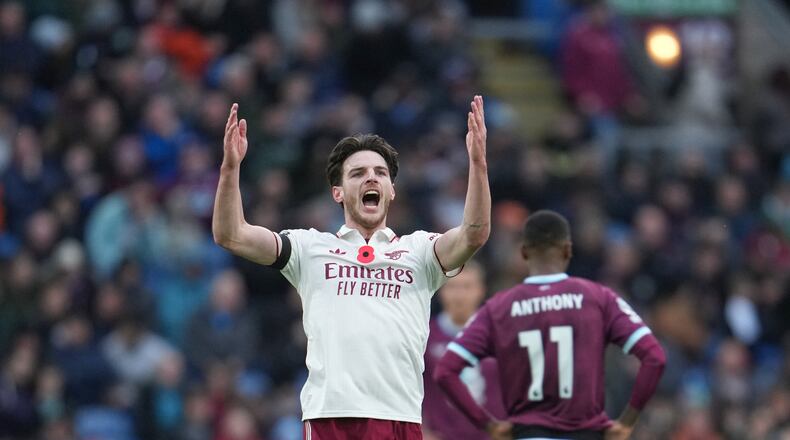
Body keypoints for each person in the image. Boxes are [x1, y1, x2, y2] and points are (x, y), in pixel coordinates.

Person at [212, 96, 490, 439]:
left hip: (399, 416)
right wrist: (230, 169)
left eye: (380, 174)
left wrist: (478, 165)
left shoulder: (420, 251)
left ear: (391, 191)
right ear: (338, 193)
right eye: (357, 174)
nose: (370, 179)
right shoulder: (309, 248)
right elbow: (231, 234)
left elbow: (474, 234)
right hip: (331, 417)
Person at [434, 210, 666, 440]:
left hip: (529, 433)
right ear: (568, 250)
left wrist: (488, 425)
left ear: (524, 252)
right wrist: (627, 422)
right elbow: (655, 357)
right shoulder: (599, 298)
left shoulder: (499, 308)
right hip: (586, 433)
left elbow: (445, 370)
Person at [422, 261, 505, 440]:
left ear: (481, 290)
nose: (459, 295)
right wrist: (422, 430)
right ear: (441, 290)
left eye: (467, 287)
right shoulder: (425, 335)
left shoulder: (499, 334)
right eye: (452, 287)